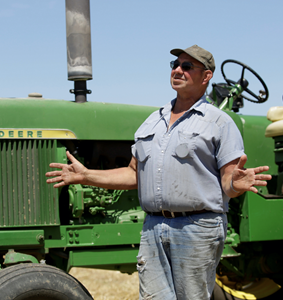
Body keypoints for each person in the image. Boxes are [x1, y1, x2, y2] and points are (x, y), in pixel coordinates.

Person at [46, 45, 271, 300]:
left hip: (196, 227)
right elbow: (134, 175)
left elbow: (227, 182)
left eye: (187, 66)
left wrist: (236, 184)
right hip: (153, 227)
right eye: (174, 65)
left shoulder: (219, 122)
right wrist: (87, 176)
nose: (178, 70)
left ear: (206, 76)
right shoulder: (152, 121)